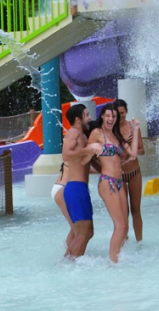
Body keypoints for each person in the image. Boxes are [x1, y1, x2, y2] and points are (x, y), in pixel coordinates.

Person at [89, 103, 133, 263]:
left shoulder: (115, 135)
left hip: (119, 181)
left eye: (113, 116)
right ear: (102, 116)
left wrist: (135, 131)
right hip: (108, 181)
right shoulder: (96, 133)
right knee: (120, 225)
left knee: (125, 227)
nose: (111, 119)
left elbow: (128, 155)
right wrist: (95, 163)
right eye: (108, 115)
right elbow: (86, 158)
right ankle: (113, 263)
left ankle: (119, 257)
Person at [60, 104, 103, 259]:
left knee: (87, 232)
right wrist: (88, 150)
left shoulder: (83, 136)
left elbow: (87, 161)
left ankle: (67, 262)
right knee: (84, 233)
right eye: (86, 115)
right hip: (75, 188)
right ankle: (71, 266)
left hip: (79, 188)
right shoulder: (73, 133)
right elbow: (66, 155)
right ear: (78, 119)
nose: (90, 117)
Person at [114, 99, 145, 243]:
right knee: (123, 212)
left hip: (134, 172)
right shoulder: (111, 130)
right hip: (118, 175)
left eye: (122, 113)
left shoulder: (133, 127)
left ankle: (139, 242)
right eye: (117, 114)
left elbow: (142, 150)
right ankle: (124, 241)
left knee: (136, 210)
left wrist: (128, 154)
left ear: (126, 112)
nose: (120, 116)